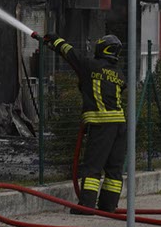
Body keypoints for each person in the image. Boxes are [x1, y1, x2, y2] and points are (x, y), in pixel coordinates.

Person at [43, 32, 126, 212]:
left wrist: (55, 40)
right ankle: (108, 206)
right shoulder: (119, 74)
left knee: (92, 167)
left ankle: (87, 205)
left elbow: (70, 53)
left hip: (101, 125)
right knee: (114, 169)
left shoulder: (90, 66)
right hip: (120, 126)